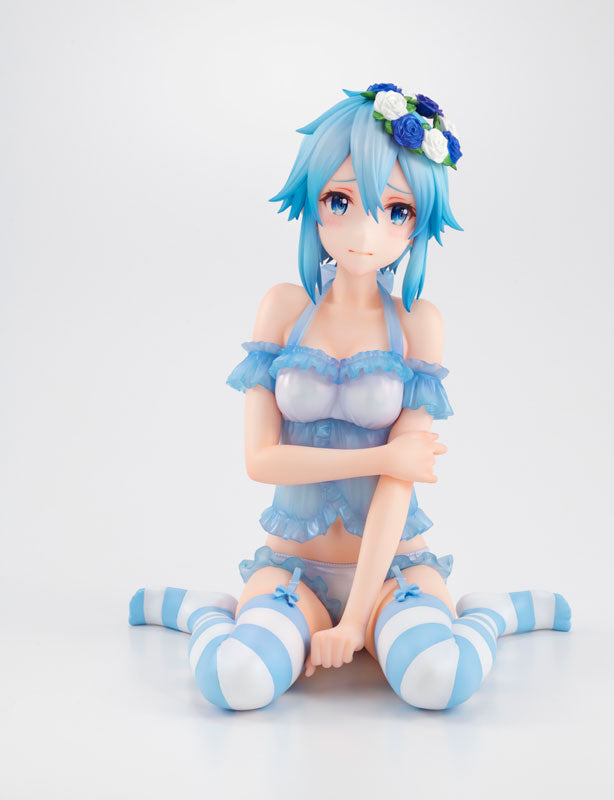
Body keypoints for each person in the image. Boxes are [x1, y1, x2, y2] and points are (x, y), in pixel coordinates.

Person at [129, 83, 571, 712]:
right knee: (236, 681)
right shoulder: (284, 309)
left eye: (396, 211)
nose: (366, 230)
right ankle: (205, 613)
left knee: (437, 681)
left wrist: (356, 621)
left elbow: (399, 487)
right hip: (293, 571)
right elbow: (261, 461)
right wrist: (382, 456)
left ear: (418, 223)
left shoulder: (417, 324)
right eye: (341, 200)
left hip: (395, 573)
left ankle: (490, 616)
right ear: (313, 202)